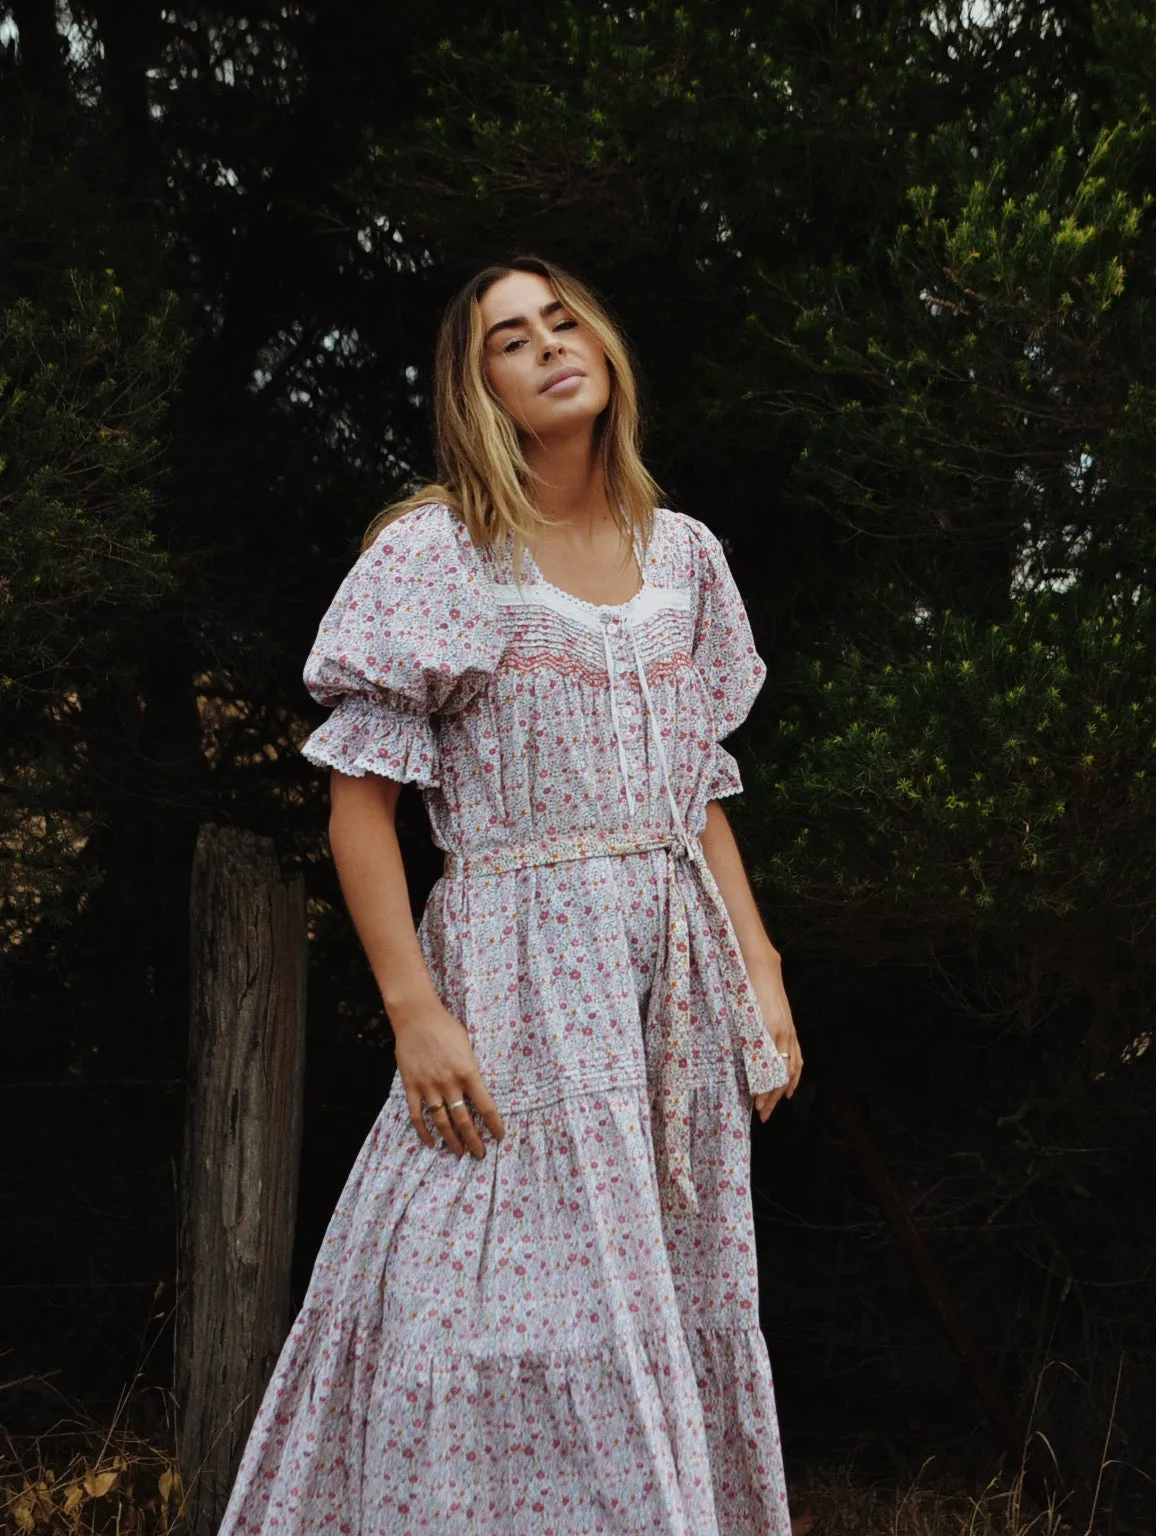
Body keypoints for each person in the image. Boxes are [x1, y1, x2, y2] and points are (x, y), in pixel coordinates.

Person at [217, 255, 804, 1534]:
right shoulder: (440, 553)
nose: (547, 346)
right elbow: (358, 801)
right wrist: (413, 1010)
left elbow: (694, 783)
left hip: (673, 984)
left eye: (562, 319)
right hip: (519, 967)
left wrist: (757, 967)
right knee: (477, 1302)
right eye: (507, 339)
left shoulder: (685, 557)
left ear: (602, 344)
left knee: (663, 1294)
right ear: (474, 385)